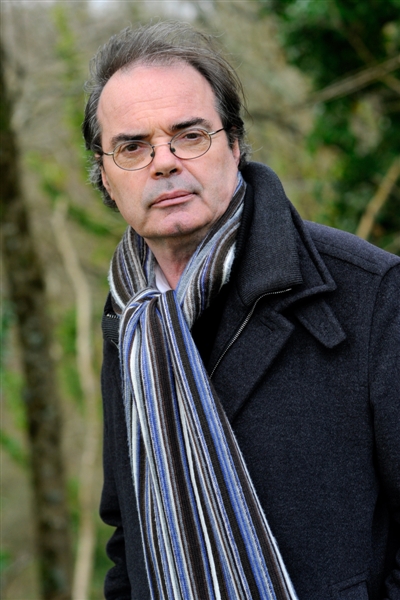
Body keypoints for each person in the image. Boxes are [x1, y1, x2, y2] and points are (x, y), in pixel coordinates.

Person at [83, 21, 400, 600]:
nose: (163, 162)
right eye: (133, 147)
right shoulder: (129, 317)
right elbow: (129, 534)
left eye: (189, 135)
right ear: (105, 174)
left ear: (234, 143)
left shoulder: (370, 292)